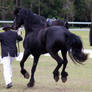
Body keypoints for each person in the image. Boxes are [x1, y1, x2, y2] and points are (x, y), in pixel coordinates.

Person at [0, 24, 22, 89]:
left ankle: (8, 82)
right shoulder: (14, 33)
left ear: (4, 29)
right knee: (8, 66)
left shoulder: (2, 34)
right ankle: (9, 78)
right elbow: (20, 39)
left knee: (6, 68)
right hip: (13, 53)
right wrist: (18, 33)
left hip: (6, 53)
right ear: (10, 28)